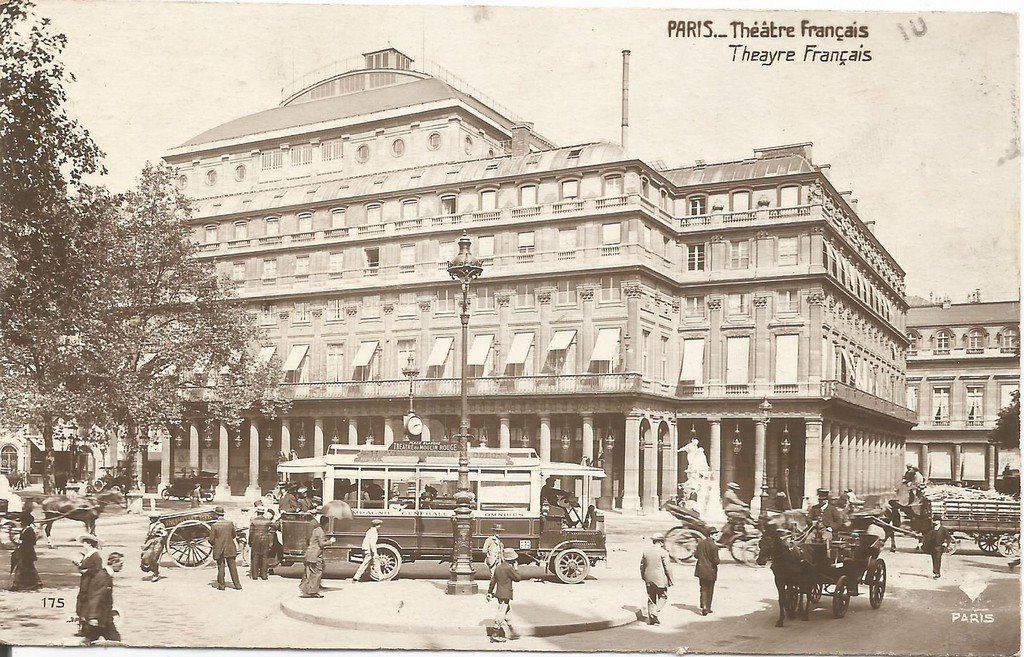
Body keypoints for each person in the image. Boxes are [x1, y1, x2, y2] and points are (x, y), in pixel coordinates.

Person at [80, 551, 124, 644]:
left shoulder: (105, 575)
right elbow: (95, 597)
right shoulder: (103, 577)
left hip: (104, 617)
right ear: (113, 563)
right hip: (99, 618)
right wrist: (93, 617)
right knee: (115, 641)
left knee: (91, 640)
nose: (122, 567)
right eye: (120, 564)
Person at [487, 547, 521, 642]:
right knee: (501, 613)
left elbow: (493, 581)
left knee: (507, 612)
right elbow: (518, 578)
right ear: (512, 559)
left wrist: (489, 592)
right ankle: (495, 633)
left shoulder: (498, 567)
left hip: (499, 593)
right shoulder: (509, 568)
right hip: (506, 594)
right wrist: (516, 568)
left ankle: (512, 632)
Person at [74, 534, 104, 636]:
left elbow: (98, 570)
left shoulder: (95, 555)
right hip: (85, 582)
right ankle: (83, 629)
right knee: (82, 603)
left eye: (85, 543)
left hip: (90, 583)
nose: (83, 544)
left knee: (86, 604)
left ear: (90, 544)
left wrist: (87, 571)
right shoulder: (89, 554)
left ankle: (86, 630)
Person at [640, 533, 674, 625]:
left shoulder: (646, 551)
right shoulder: (663, 552)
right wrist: (670, 579)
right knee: (663, 596)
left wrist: (643, 576)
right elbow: (668, 568)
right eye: (662, 541)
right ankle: (654, 613)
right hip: (660, 579)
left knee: (651, 598)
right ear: (660, 542)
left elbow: (642, 566)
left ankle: (652, 620)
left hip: (648, 578)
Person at [299, 514, 333, 597]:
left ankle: (307, 590)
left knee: (309, 574)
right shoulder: (321, 531)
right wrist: (330, 542)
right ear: (326, 523)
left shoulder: (316, 530)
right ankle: (313, 592)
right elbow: (321, 544)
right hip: (315, 556)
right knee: (317, 573)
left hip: (310, 554)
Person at [209, 506, 241, 590]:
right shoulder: (230, 523)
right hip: (230, 548)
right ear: (223, 514)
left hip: (219, 549)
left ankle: (222, 585)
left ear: (216, 515)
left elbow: (211, 539)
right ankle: (237, 585)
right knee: (233, 567)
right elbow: (234, 535)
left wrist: (216, 544)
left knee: (221, 567)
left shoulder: (214, 526)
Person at [9, 511, 41, 591]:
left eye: (21, 521)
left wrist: (19, 541)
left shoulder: (29, 530)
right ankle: (37, 583)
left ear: (25, 522)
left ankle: (16, 585)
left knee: (21, 568)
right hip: (25, 552)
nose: (20, 523)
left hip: (27, 553)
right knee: (29, 569)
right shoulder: (25, 529)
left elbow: (32, 541)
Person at [808, 488, 846, 554]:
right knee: (808, 540)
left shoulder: (832, 509)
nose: (820, 501)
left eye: (822, 500)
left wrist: (831, 528)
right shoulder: (814, 508)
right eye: (819, 499)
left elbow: (839, 521)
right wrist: (811, 522)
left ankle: (826, 557)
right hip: (815, 529)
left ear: (826, 500)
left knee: (826, 540)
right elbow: (808, 518)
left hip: (826, 530)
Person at [694, 529, 720, 616]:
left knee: (703, 589)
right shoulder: (714, 546)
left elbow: (696, 555)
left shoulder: (700, 543)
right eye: (716, 535)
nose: (717, 536)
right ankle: (708, 608)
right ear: (711, 535)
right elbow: (716, 561)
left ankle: (704, 606)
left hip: (701, 570)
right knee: (710, 589)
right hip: (711, 571)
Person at [249, 507, 277, 580]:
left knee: (255, 556)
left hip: (255, 539)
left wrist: (250, 542)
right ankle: (264, 575)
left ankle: (255, 575)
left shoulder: (253, 521)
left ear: (257, 512)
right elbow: (275, 526)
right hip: (265, 539)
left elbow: (251, 532)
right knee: (264, 557)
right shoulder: (267, 521)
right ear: (263, 513)